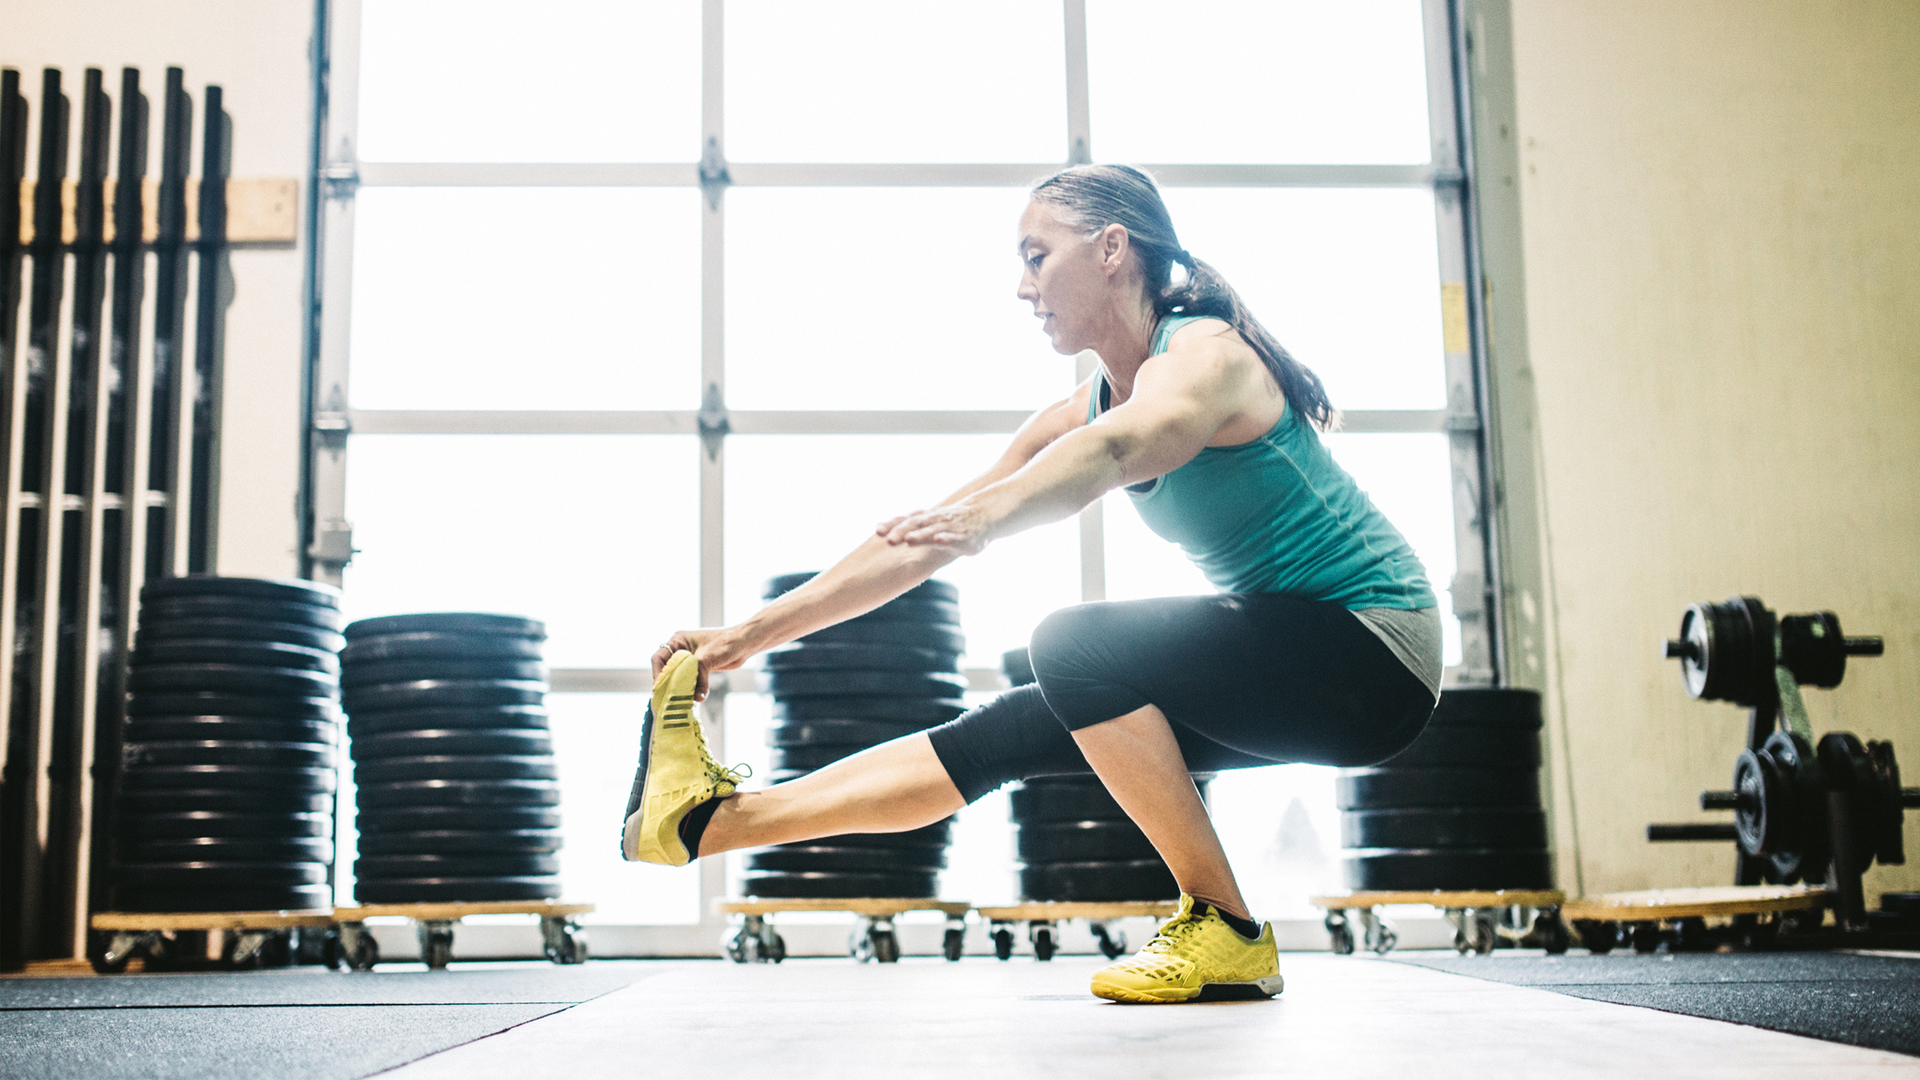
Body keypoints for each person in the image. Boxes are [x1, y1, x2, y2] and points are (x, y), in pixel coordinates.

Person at [623, 163, 1441, 1004]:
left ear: (1112, 248)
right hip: (1304, 659)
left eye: (1037, 255)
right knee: (1015, 727)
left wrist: (989, 518)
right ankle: (706, 824)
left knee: (1072, 644)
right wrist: (743, 639)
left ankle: (1224, 926)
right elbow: (912, 544)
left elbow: (1125, 448)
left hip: (1374, 654)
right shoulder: (1079, 408)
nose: (1023, 287)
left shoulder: (1205, 356)